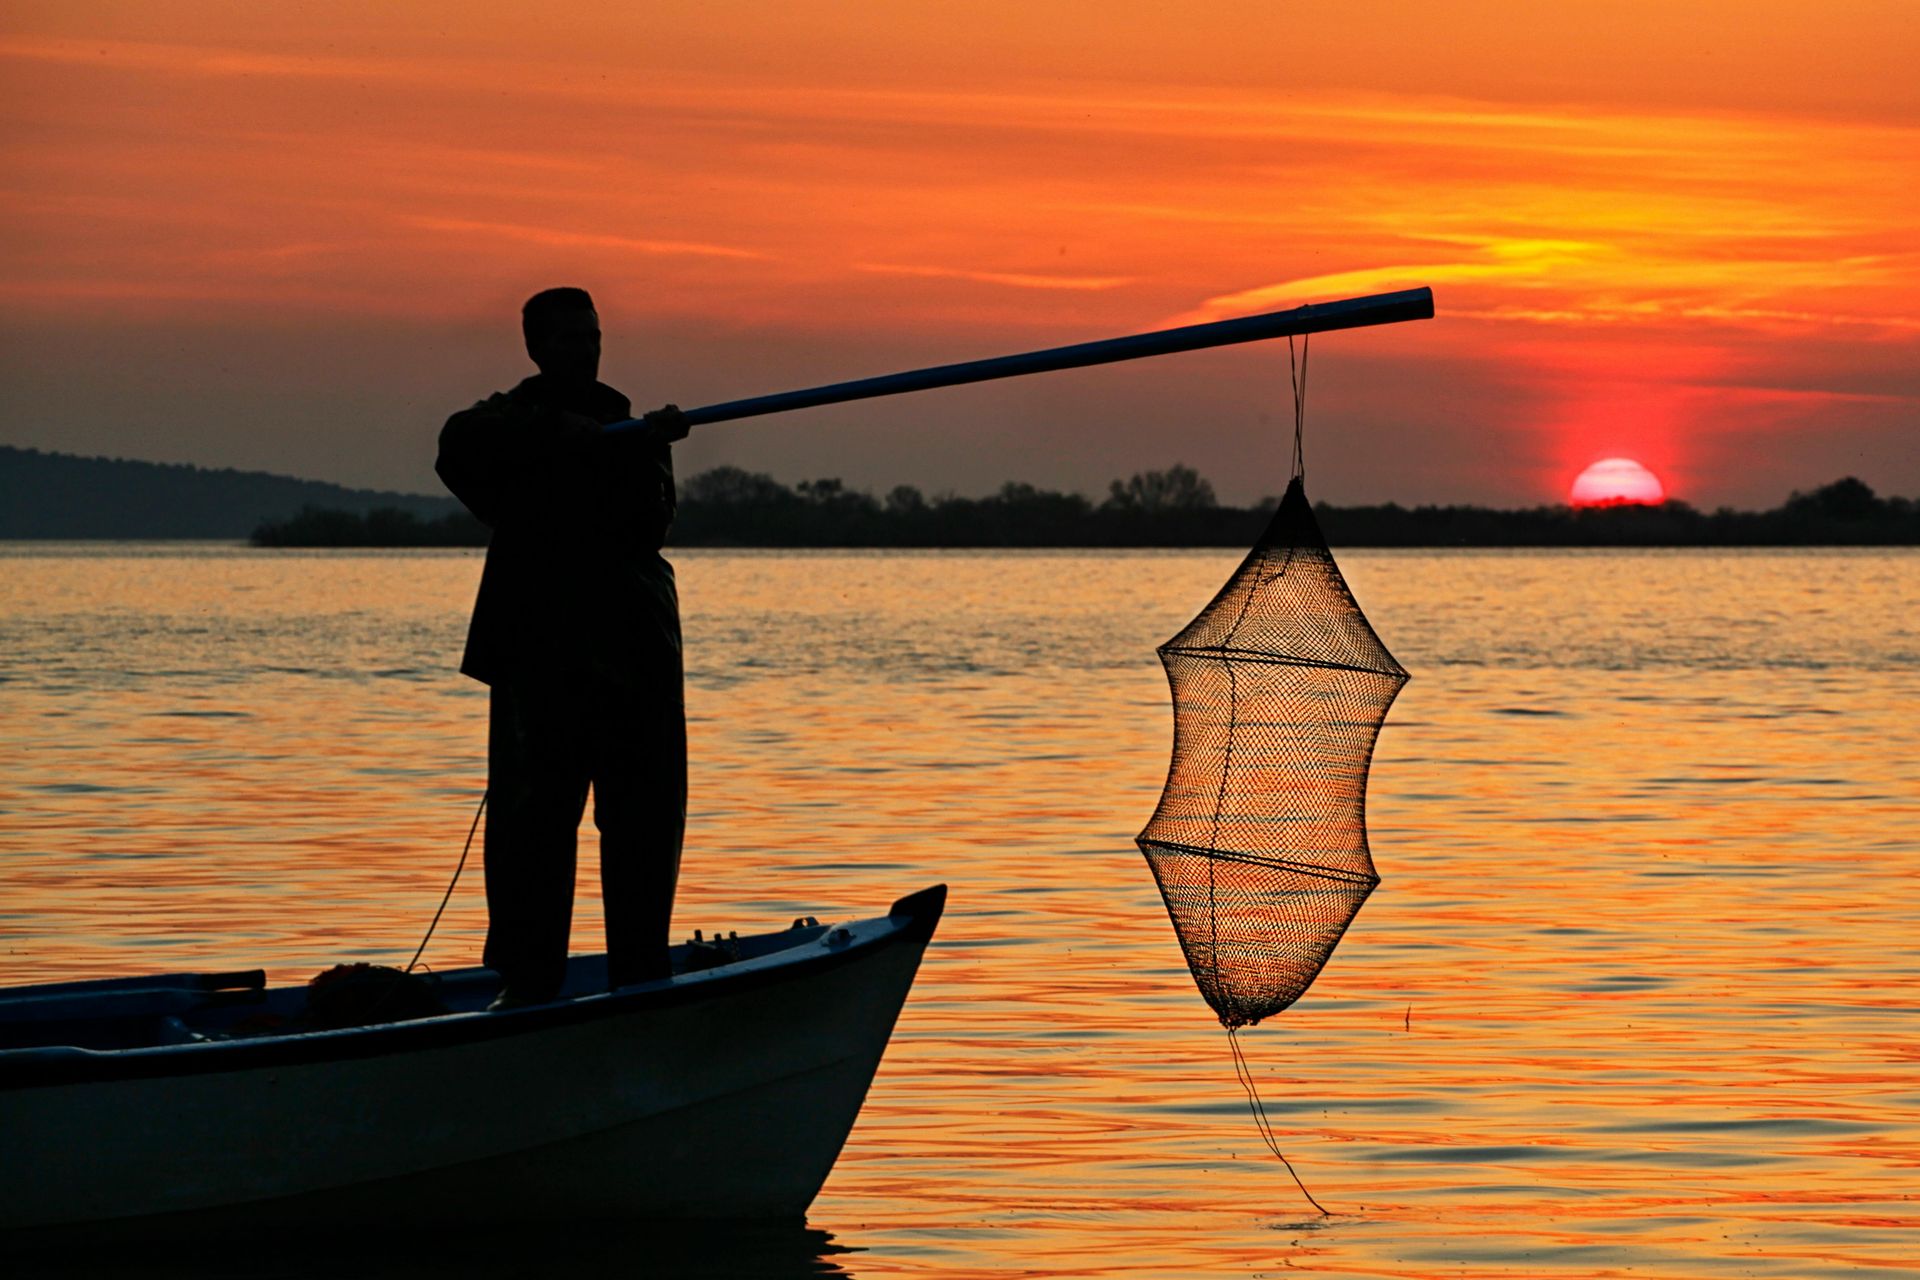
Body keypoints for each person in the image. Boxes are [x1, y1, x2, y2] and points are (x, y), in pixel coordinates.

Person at [436, 287, 689, 1009]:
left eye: (593, 335)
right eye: (571, 338)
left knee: (643, 817)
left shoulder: (627, 425)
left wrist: (648, 442)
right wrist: (555, 433)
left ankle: (641, 977)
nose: (587, 348)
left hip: (633, 656)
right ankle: (529, 982)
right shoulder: (500, 425)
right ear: (538, 350)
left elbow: (651, 524)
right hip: (539, 656)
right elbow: (458, 448)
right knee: (533, 822)